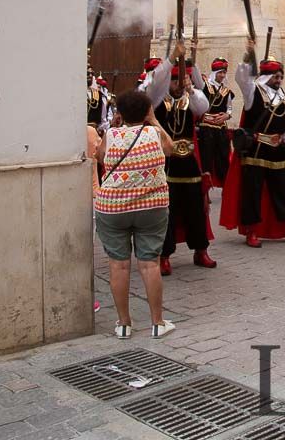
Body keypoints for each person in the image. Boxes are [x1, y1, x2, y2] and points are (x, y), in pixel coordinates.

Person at [93, 88, 176, 339]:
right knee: (149, 263)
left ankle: (124, 324)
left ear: (120, 113)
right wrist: (154, 120)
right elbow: (170, 149)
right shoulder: (153, 132)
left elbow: (99, 156)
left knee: (118, 265)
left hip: (113, 208)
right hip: (151, 207)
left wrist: (116, 128)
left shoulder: (111, 134)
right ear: (147, 111)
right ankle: (157, 322)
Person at [218, 38, 285, 247]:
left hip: (277, 150)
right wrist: (249, 53)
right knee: (253, 193)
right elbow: (243, 78)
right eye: (276, 76)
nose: (279, 80)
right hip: (256, 151)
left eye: (281, 76)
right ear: (267, 76)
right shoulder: (253, 92)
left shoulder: (282, 97)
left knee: (284, 191)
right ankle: (251, 231)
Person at [146, 48, 216, 273]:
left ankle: (200, 250)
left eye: (180, 79)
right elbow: (154, 83)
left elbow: (203, 107)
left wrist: (191, 89)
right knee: (168, 211)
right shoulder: (158, 99)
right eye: (174, 80)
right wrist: (171, 57)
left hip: (189, 164)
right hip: (166, 163)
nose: (177, 84)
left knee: (196, 209)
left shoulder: (190, 99)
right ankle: (164, 254)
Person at [198, 58, 233, 187]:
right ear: (215, 72)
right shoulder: (205, 85)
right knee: (206, 157)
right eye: (220, 72)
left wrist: (226, 116)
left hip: (221, 127)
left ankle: (225, 185)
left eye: (224, 73)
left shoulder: (226, 91)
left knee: (223, 156)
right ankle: (205, 187)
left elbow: (229, 108)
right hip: (206, 127)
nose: (222, 75)